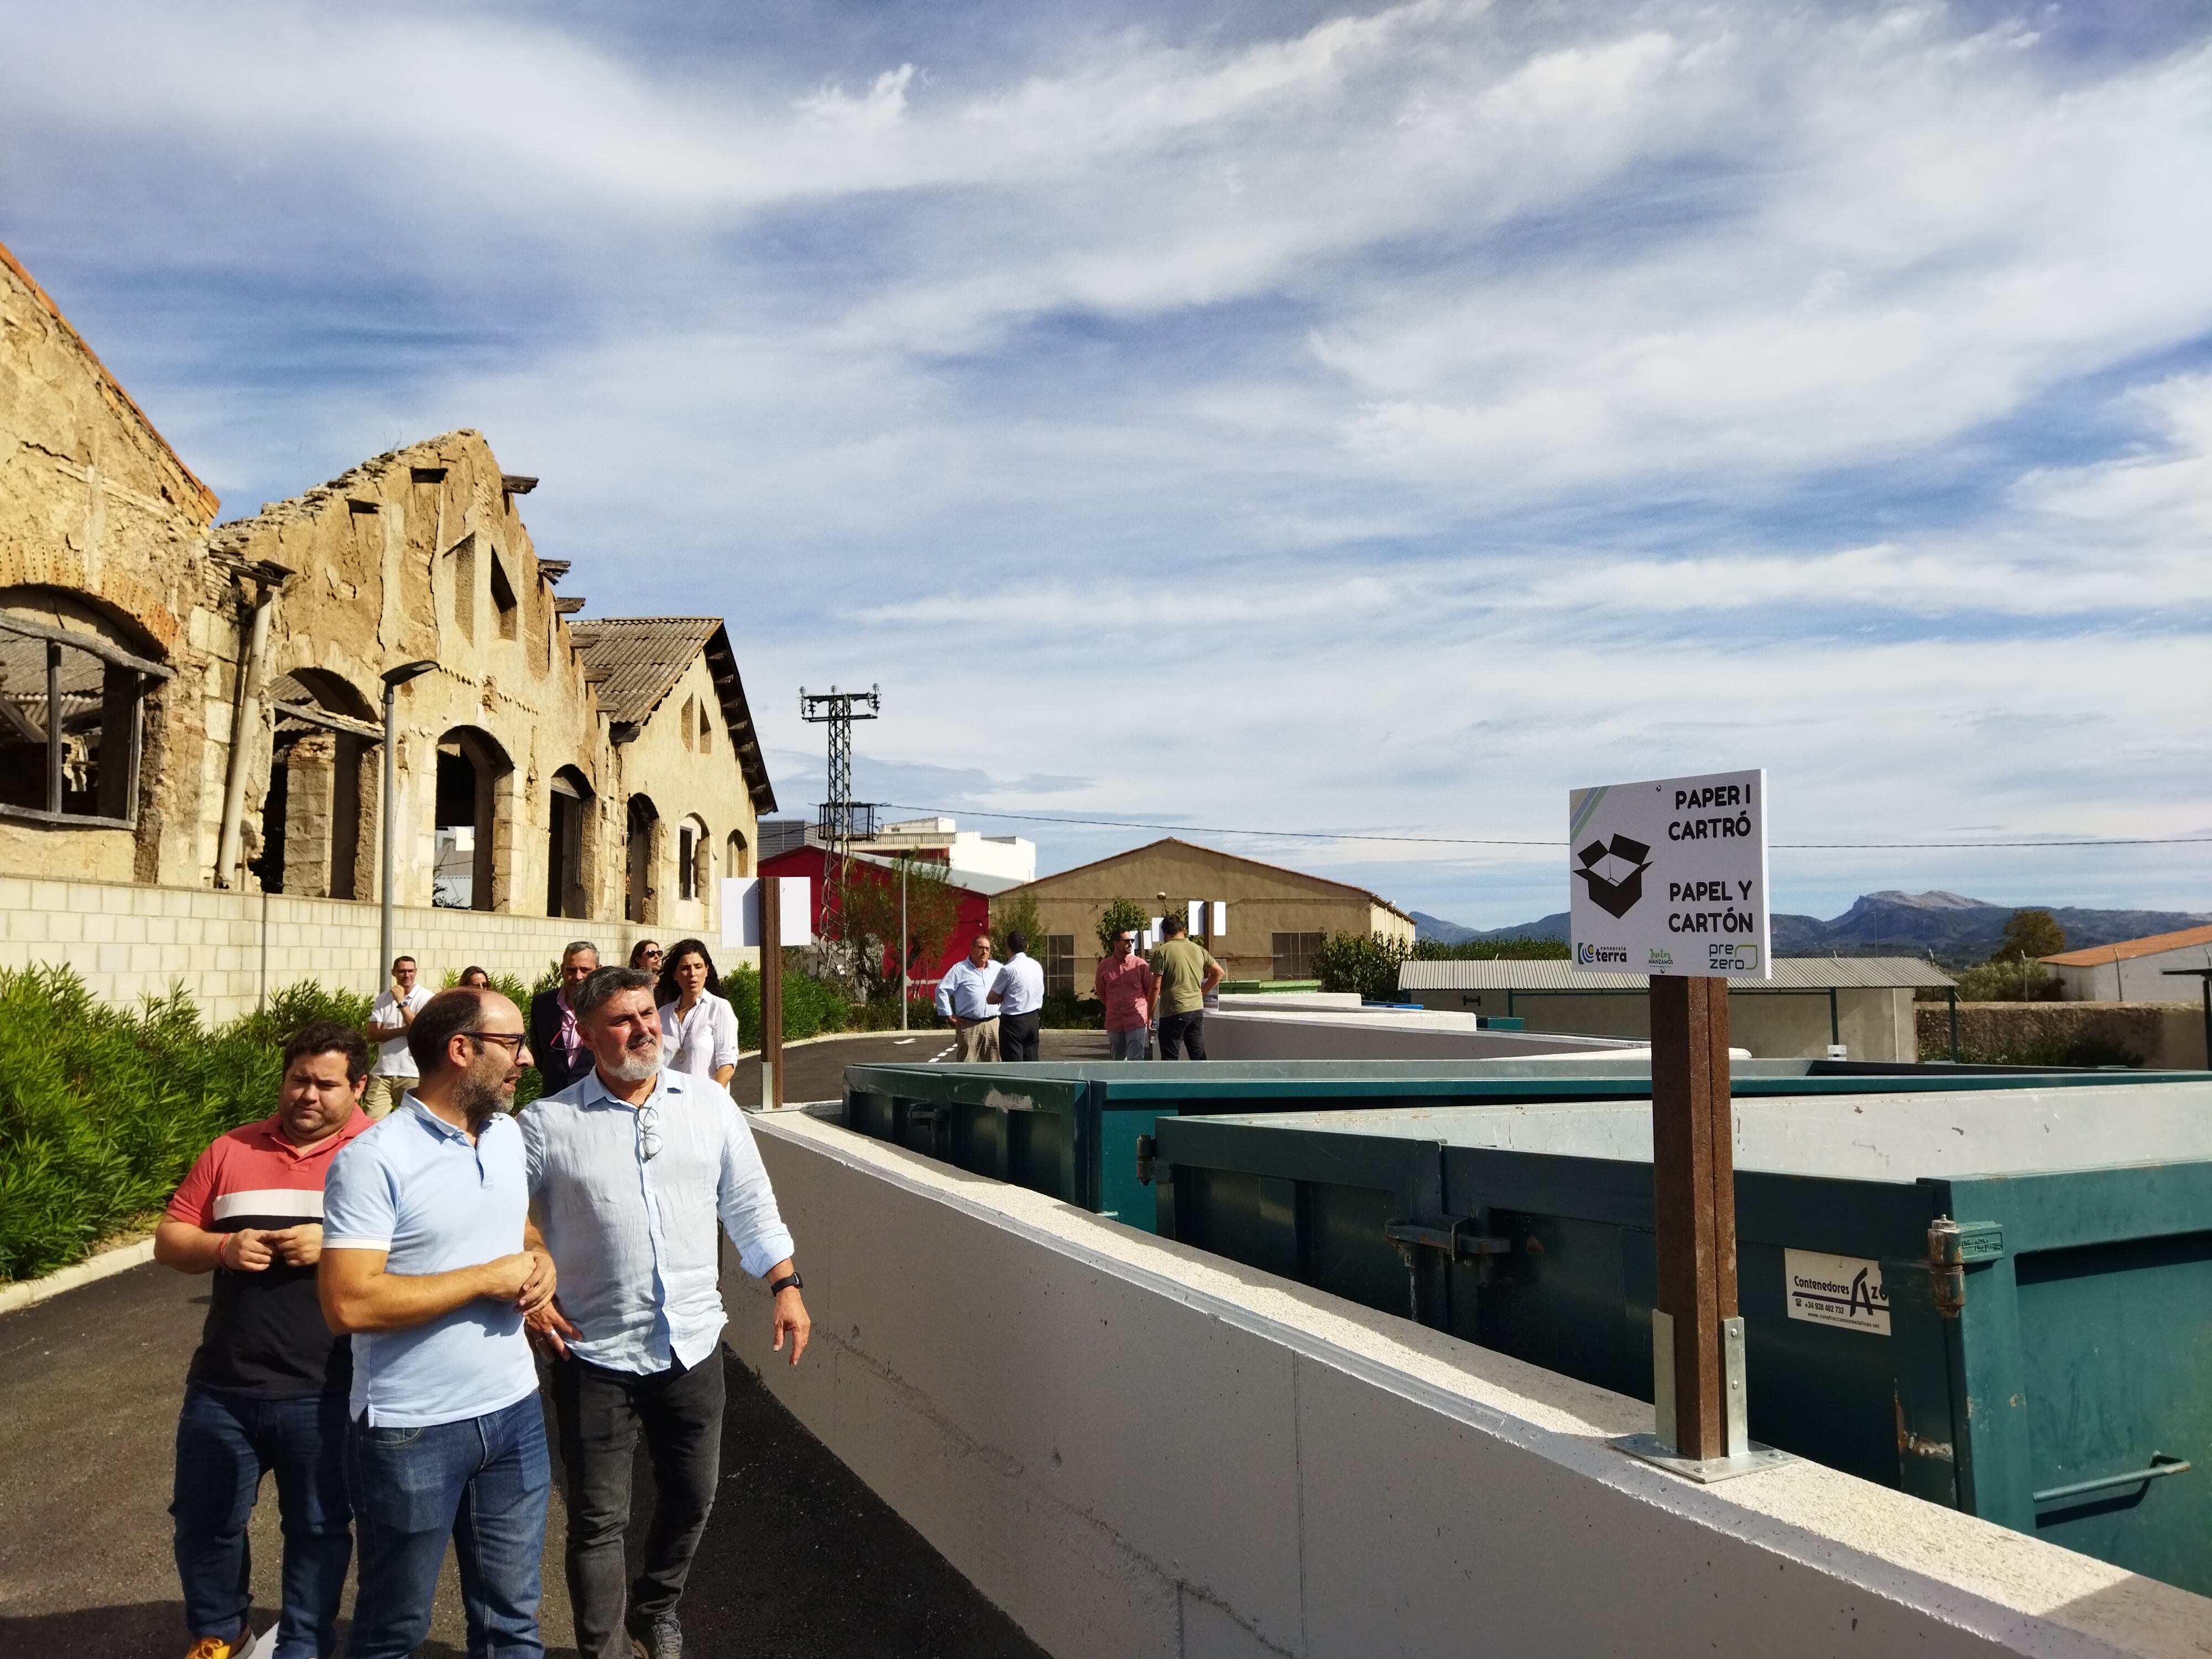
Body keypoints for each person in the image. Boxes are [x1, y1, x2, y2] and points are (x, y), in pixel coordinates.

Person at [522, 967, 809, 1659]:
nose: (643, 1028)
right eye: (621, 1020)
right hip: (593, 1353)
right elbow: (509, 1218)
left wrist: (786, 1284)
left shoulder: (709, 1106)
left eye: (647, 1013)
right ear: (588, 1035)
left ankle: (657, 1607)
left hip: (692, 1345)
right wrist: (532, 1274)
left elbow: (749, 1203)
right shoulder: (546, 1123)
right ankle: (603, 1650)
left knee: (692, 1498)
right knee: (597, 1520)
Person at [319, 987, 559, 1659]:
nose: (527, 1060)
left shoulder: (506, 1135)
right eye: (511, 1045)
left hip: (514, 1415)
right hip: (411, 1430)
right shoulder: (374, 1158)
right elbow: (348, 1303)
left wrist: (540, 1262)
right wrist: (486, 1279)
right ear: (462, 1050)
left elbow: (518, 1227)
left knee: (512, 1621)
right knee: (394, 1630)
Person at [156, 1020, 373, 1659]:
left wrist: (332, 1240)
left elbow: (425, 1247)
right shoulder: (231, 1149)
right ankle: (220, 1636)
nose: (308, 1095)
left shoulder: (382, 1152)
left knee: (317, 1527)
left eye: (326, 1084)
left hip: (328, 1386)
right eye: (297, 1080)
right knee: (204, 1522)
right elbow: (171, 1239)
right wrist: (223, 1246)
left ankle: (304, 1643)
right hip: (223, 1382)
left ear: (358, 1087)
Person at [655, 937, 740, 1087]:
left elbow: (727, 1066)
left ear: (707, 970)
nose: (692, 973)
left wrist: (709, 1100)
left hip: (706, 1103)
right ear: (675, 975)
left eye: (698, 966)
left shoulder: (719, 1008)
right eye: (685, 968)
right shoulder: (662, 1014)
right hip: (668, 1104)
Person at [529, 941, 601, 1098]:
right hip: (553, 1099)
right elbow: (540, 1057)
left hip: (596, 1099)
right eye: (571, 970)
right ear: (562, 970)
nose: (578, 976)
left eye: (585, 970)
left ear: (598, 971)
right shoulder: (542, 1005)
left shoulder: (608, 1007)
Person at [362, 955, 431, 1119]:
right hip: (383, 1072)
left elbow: (416, 1029)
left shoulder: (426, 998)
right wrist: (403, 1031)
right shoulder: (383, 999)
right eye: (402, 971)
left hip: (412, 1073)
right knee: (372, 1122)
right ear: (394, 973)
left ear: (416, 972)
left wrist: (401, 1002)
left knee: (415, 1123)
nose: (407, 975)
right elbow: (372, 1035)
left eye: (411, 971)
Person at [1148, 914, 1223, 1060]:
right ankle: (1202, 1082)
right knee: (1198, 1056)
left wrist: (1150, 1015)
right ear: (1183, 930)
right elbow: (1219, 973)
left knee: (1170, 1059)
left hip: (1173, 1011)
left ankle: (1173, 1083)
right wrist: (1201, 993)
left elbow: (1155, 986)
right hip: (1196, 1010)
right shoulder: (1198, 949)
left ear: (1165, 934)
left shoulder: (1163, 952)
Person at [935, 933, 1002, 1061]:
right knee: (966, 1066)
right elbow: (941, 990)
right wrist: (949, 1014)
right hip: (969, 1026)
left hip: (993, 1025)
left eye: (987, 949)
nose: (984, 952)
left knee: (995, 1066)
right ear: (972, 949)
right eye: (981, 948)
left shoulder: (997, 968)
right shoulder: (960, 969)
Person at [1093, 927, 1154, 1061]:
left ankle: (1134, 1082)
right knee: (1117, 1061)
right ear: (1115, 943)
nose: (1130, 944)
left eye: (1132, 940)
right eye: (1126, 941)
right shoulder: (1104, 966)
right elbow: (1102, 993)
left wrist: (1147, 1013)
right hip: (1114, 1021)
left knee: (1136, 1060)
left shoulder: (1141, 965)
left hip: (1136, 1019)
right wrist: (1113, 1006)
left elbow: (1150, 991)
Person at [987, 929, 1046, 1062]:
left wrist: (1001, 996)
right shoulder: (1036, 965)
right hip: (1033, 1018)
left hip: (1013, 1021)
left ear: (1007, 947)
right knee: (1031, 1062)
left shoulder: (1008, 969)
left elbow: (990, 999)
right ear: (1027, 947)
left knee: (1014, 1064)